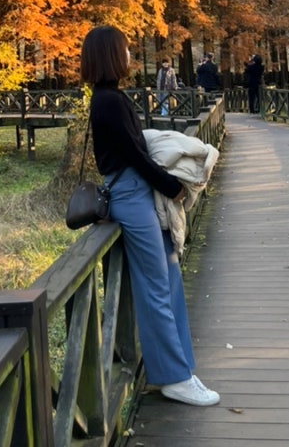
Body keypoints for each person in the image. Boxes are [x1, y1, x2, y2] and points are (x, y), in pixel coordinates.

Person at [81, 25, 220, 407]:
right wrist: (173, 186)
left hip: (137, 192)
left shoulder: (109, 98)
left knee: (170, 276)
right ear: (112, 55)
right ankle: (173, 377)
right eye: (125, 49)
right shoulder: (108, 101)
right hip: (130, 195)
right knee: (156, 284)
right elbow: (134, 156)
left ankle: (181, 369)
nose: (130, 55)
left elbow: (134, 150)